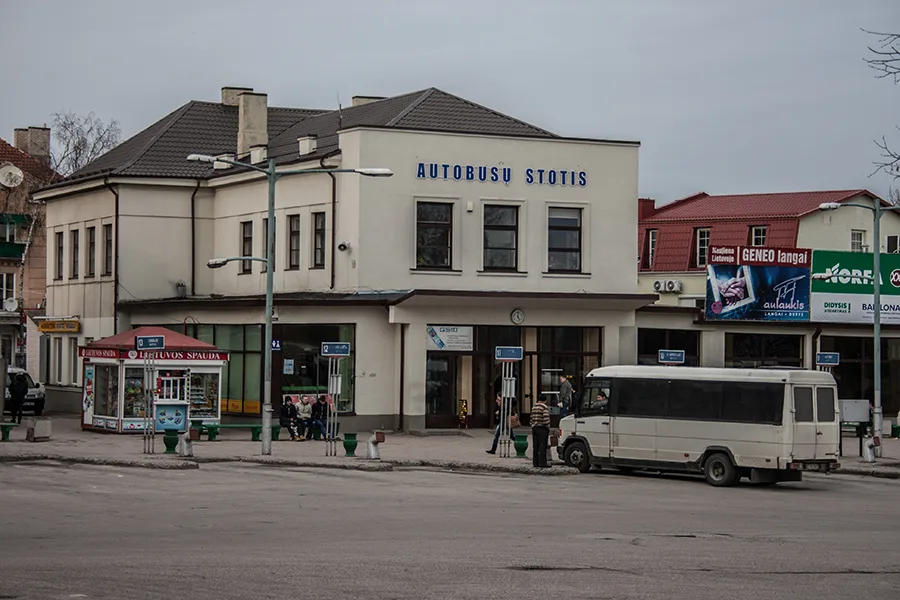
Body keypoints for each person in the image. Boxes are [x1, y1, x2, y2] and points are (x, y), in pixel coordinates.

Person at [530, 393, 551, 468]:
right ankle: (542, 463)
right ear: (545, 400)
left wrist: (533, 424)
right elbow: (546, 418)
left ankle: (535, 463)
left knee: (535, 446)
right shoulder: (544, 407)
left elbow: (531, 419)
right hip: (542, 428)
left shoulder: (534, 407)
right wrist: (547, 425)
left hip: (534, 427)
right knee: (542, 446)